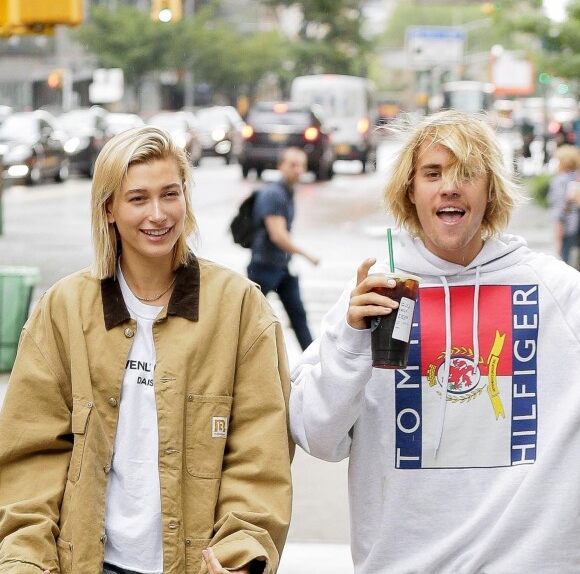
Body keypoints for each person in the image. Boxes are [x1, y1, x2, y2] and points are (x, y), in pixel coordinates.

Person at [289, 109, 580, 572]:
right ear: (411, 190)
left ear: (490, 190)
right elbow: (319, 437)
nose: (450, 186)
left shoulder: (559, 293)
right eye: (432, 173)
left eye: (467, 173)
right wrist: (349, 342)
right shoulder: (374, 294)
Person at [0, 126, 293, 574]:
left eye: (169, 194)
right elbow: (30, 456)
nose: (158, 214)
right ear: (109, 209)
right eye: (138, 199)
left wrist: (242, 556)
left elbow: (260, 453)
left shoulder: (239, 308)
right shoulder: (64, 310)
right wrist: (26, 562)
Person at [248, 146, 319, 351]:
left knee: (298, 315)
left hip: (282, 267)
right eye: (293, 165)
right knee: (249, 320)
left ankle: (314, 361)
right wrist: (307, 255)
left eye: (301, 165)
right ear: (281, 166)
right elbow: (277, 235)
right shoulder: (274, 194)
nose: (298, 170)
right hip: (264, 266)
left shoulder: (287, 192)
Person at [547, 143, 580, 266]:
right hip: (576, 229)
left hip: (568, 230)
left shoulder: (560, 181)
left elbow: (560, 212)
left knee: (567, 267)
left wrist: (557, 239)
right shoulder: (576, 178)